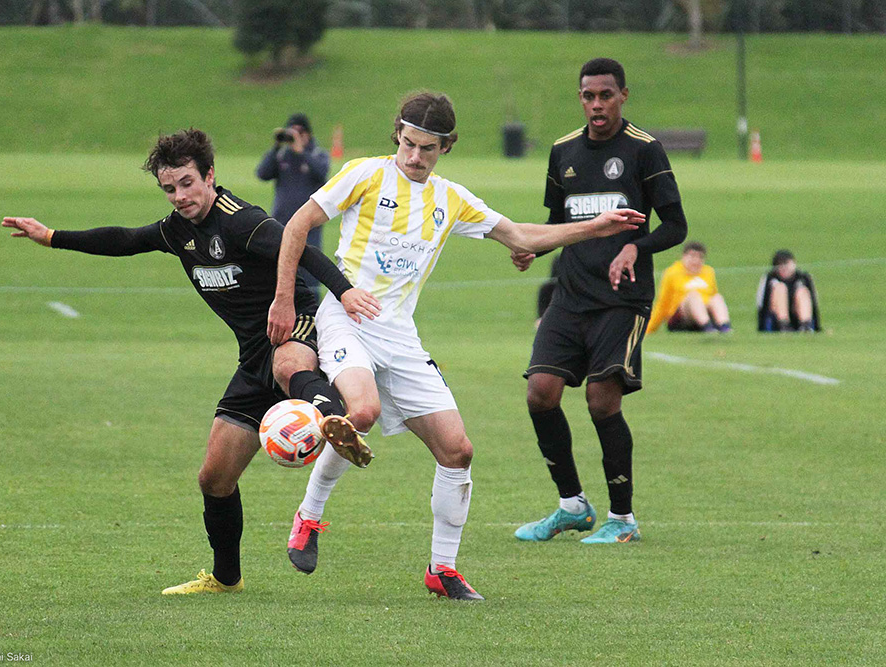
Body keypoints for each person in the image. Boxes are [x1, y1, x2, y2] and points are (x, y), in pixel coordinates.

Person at [267, 91, 645, 600]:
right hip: (347, 317)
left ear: (447, 146)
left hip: (400, 334)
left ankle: (441, 570)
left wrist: (596, 227)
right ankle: (309, 518)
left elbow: (523, 237)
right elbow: (297, 226)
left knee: (458, 451)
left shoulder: (451, 198)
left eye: (426, 148)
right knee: (362, 411)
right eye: (407, 144)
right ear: (396, 137)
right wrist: (284, 300)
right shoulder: (364, 174)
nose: (414, 157)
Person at [2, 128, 381, 596]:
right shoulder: (176, 230)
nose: (179, 196)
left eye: (187, 183)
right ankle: (226, 578)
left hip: (296, 321)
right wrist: (54, 236)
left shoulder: (241, 221)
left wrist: (339, 293)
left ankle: (327, 416)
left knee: (288, 366)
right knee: (214, 478)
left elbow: (300, 247)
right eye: (169, 188)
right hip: (251, 355)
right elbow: (125, 238)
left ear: (209, 176)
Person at [512, 58, 687, 546]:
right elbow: (558, 223)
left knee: (600, 399)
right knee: (539, 392)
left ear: (623, 96)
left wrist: (636, 245)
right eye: (588, 96)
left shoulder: (644, 151)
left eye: (605, 96)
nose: (596, 105)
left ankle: (623, 518)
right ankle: (571, 506)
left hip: (622, 300)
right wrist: (532, 247)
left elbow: (676, 225)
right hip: (570, 296)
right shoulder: (563, 151)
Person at [256, 113, 330, 300]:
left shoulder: (317, 154)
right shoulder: (282, 155)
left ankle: (312, 317)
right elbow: (262, 173)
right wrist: (276, 147)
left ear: (307, 134)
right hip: (281, 224)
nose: (295, 136)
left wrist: (301, 152)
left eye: (299, 132)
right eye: (291, 132)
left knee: (309, 273)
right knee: (280, 272)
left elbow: (321, 173)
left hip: (309, 227)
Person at [646, 241, 731, 334]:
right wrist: (649, 329)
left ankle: (724, 326)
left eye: (700, 257)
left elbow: (712, 296)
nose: (696, 261)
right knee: (693, 296)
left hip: (703, 312)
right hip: (680, 318)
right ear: (684, 256)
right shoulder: (672, 273)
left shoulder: (708, 272)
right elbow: (663, 303)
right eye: (692, 256)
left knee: (716, 297)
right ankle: (707, 326)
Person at [757, 249, 820, 332]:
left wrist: (817, 326)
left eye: (787, 264)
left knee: (802, 291)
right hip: (775, 318)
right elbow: (761, 304)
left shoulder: (803, 277)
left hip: (796, 313)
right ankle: (784, 325)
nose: (785, 268)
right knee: (780, 288)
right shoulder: (770, 278)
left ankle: (805, 325)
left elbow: (814, 301)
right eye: (781, 265)